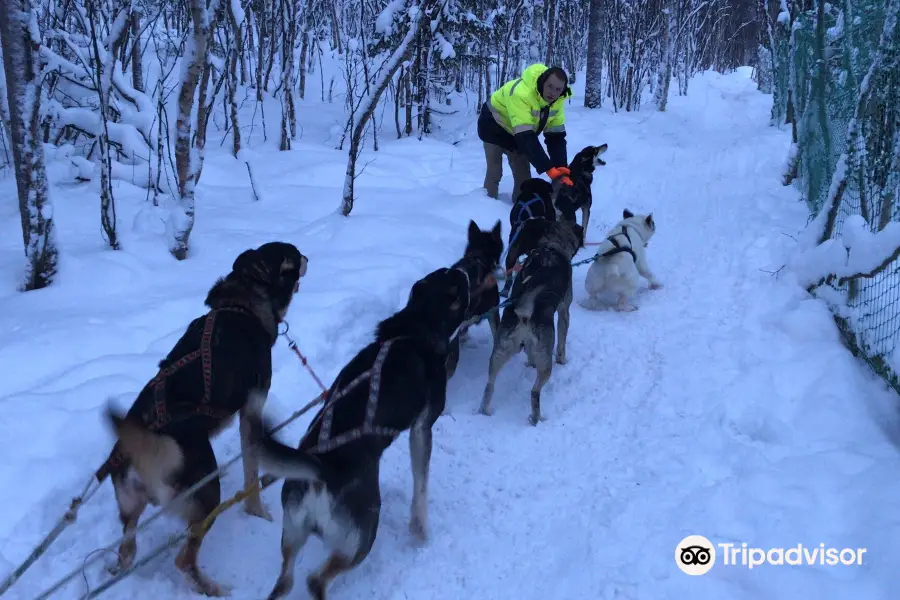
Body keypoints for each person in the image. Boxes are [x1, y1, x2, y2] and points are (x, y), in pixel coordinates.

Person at [477, 63, 574, 201]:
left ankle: (522, 209)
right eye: (550, 86)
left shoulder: (557, 102)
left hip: (517, 133)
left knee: (523, 176)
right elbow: (526, 137)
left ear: (563, 90)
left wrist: (560, 167)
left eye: (558, 89)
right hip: (493, 127)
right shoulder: (522, 93)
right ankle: (486, 207)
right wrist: (548, 168)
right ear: (542, 81)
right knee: (495, 172)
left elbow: (556, 137)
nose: (553, 93)